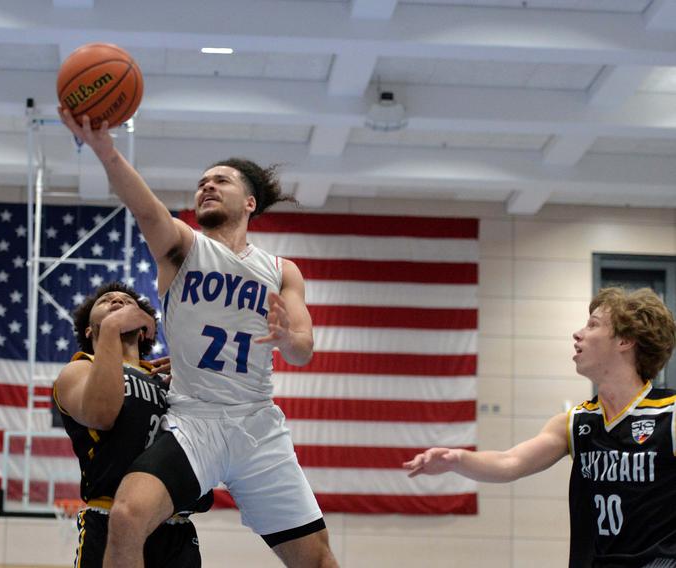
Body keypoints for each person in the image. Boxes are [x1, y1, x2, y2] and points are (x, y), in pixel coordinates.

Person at [60, 111, 338, 568]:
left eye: (221, 181)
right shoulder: (184, 248)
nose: (207, 186)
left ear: (249, 202)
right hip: (196, 421)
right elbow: (145, 207)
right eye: (202, 182)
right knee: (126, 517)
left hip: (256, 424)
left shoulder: (282, 270)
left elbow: (304, 349)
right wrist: (106, 151)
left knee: (319, 560)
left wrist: (287, 337)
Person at [404, 287, 676, 568]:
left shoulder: (670, 414)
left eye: (593, 324)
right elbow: (511, 461)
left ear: (626, 340)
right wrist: (457, 460)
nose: (578, 333)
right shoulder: (576, 422)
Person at [53, 281, 209, 567]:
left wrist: (196, 383)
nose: (116, 301)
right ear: (90, 330)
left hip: (175, 529)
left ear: (143, 328)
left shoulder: (171, 382)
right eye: (106, 301)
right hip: (112, 518)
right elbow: (101, 414)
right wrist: (112, 329)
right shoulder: (81, 367)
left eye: (127, 301)